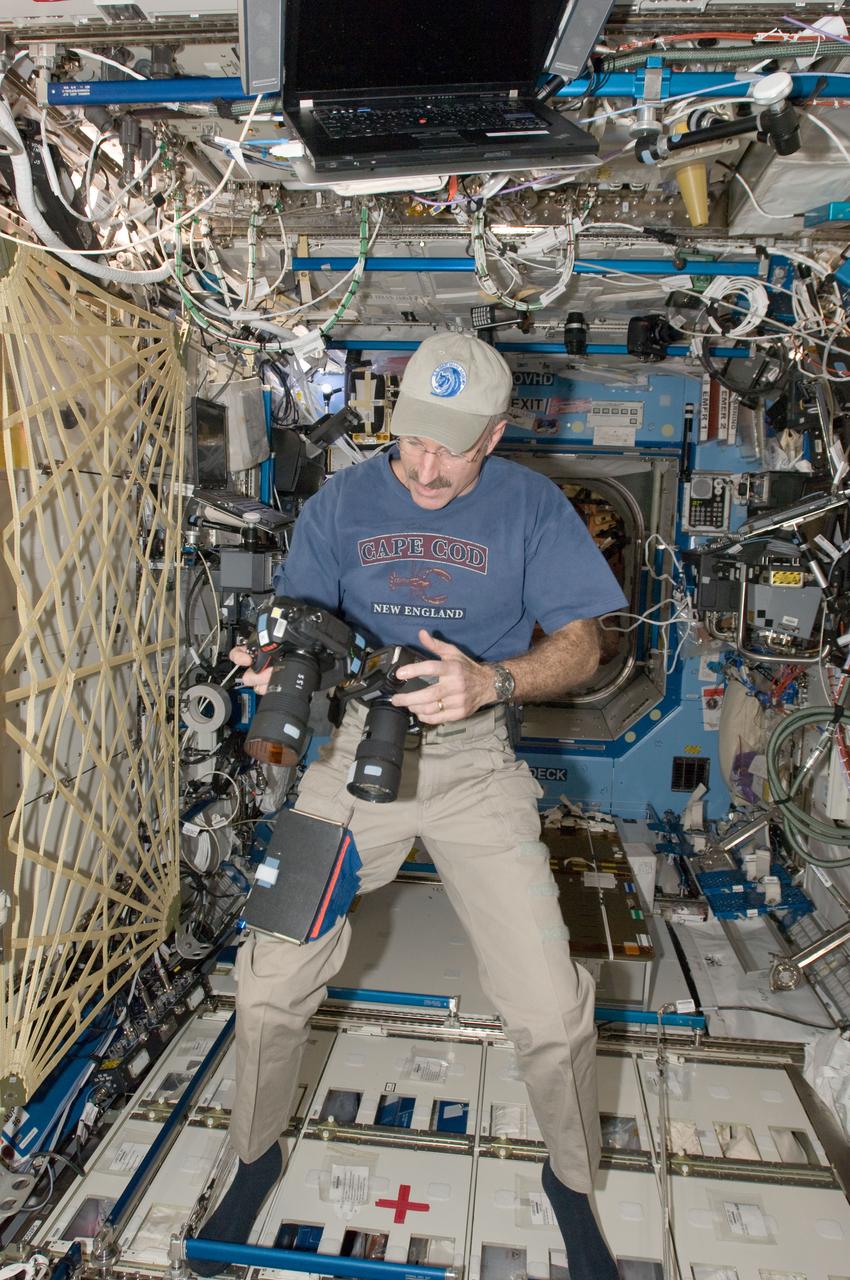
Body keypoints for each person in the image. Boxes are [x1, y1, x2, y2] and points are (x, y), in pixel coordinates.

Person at [192, 333, 627, 1279]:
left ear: (497, 437)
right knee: (267, 989)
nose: (427, 467)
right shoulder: (341, 503)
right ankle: (256, 1157)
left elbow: (584, 647)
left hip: (475, 767)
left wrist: (494, 683)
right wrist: (275, 668)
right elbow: (301, 627)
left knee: (553, 1013)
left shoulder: (534, 507)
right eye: (414, 443)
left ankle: (570, 1179)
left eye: (453, 449)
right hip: (350, 759)